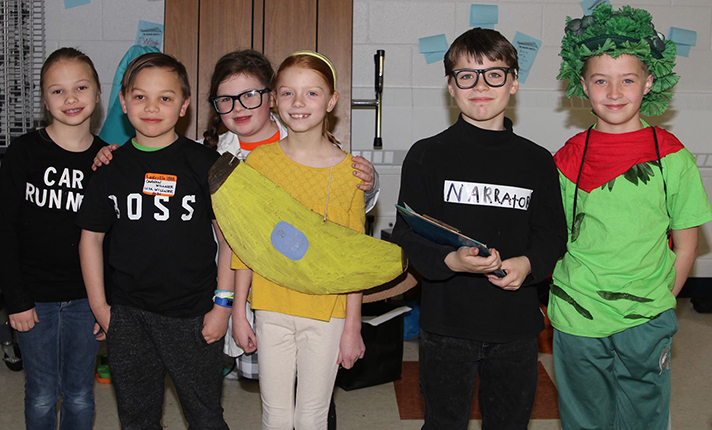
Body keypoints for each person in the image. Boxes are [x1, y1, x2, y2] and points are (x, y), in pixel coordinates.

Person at [391, 28, 567, 430]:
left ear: (514, 82)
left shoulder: (537, 161)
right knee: (443, 421)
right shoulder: (426, 155)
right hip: (446, 324)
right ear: (451, 87)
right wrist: (450, 259)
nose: (481, 85)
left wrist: (527, 264)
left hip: (515, 326)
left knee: (508, 421)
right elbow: (406, 234)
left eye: (494, 74)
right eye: (467, 75)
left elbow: (553, 235)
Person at [550, 5, 712, 429]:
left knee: (644, 415)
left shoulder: (672, 157)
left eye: (628, 79)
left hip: (647, 316)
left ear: (649, 83)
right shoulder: (567, 159)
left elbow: (688, 239)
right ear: (584, 86)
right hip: (577, 314)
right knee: (585, 418)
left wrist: (663, 300)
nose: (615, 92)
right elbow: (554, 235)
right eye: (601, 80)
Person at [76, 52, 232, 429]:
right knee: (136, 417)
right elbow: (90, 241)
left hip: (194, 314)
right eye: (141, 96)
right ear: (124, 102)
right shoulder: (108, 167)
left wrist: (222, 305)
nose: (152, 107)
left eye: (165, 97)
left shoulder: (208, 163)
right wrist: (100, 307)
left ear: (184, 106)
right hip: (128, 315)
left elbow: (230, 242)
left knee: (206, 416)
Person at [231, 51, 366, 430]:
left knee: (312, 415)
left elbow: (353, 257)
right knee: (274, 414)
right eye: (288, 93)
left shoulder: (349, 172)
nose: (299, 104)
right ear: (274, 99)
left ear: (332, 101)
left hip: (327, 313)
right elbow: (248, 244)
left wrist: (352, 326)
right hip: (271, 306)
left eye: (312, 93)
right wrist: (239, 310)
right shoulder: (258, 164)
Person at [0, 47, 106, 430]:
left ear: (97, 94)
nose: (71, 98)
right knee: (42, 393)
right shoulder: (23, 153)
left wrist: (106, 305)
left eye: (80, 87)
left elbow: (113, 242)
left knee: (79, 392)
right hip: (33, 301)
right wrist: (15, 300)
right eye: (57, 91)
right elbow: (5, 232)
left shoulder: (107, 162)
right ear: (44, 100)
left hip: (86, 301)